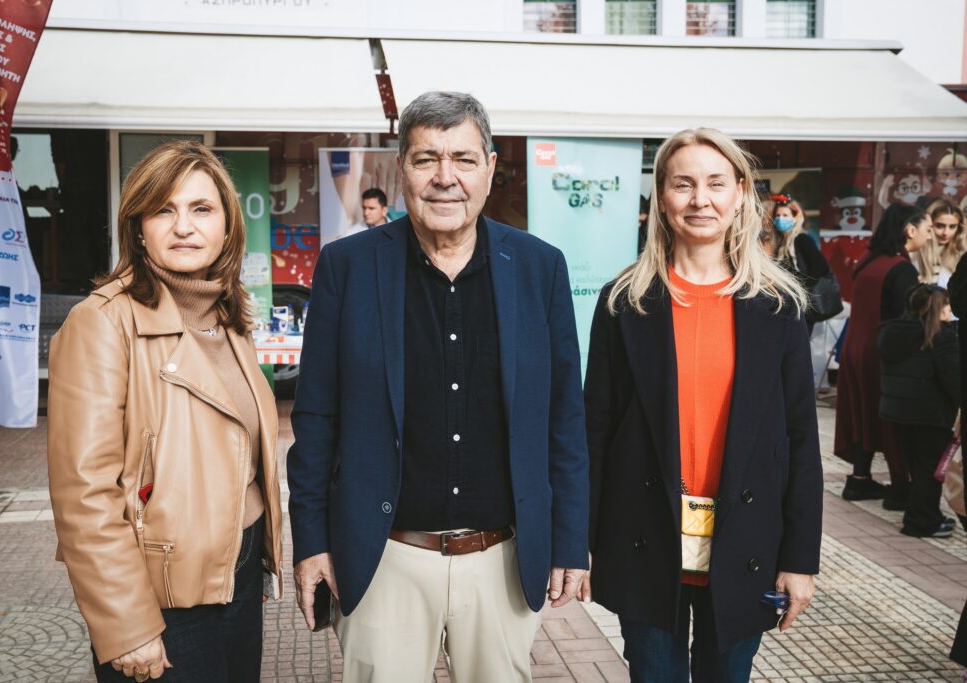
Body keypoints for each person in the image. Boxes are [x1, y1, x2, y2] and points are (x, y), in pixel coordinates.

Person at [287, 91, 589, 683]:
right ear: (401, 169)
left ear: (490, 168)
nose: (445, 177)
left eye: (463, 159)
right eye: (426, 159)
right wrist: (312, 541)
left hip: (502, 560)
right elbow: (316, 417)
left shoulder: (539, 267)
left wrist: (570, 540)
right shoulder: (347, 267)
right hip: (383, 559)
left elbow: (564, 419)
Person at [582, 127, 822, 682]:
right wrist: (581, 543)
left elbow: (801, 441)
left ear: (740, 193)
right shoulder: (624, 302)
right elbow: (594, 431)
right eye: (683, 184)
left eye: (716, 183)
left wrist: (800, 560)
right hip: (646, 538)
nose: (700, 200)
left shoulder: (779, 306)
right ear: (662, 198)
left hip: (746, 542)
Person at [47, 141, 284, 682]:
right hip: (161, 601)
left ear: (227, 226)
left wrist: (251, 561)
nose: (184, 227)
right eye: (163, 210)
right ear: (138, 229)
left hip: (237, 580)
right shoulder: (102, 322)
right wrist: (127, 624)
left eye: (201, 209)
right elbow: (84, 495)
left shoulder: (228, 318)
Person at [835, 204, 932, 509]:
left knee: (863, 414)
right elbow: (906, 320)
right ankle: (900, 488)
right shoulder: (900, 268)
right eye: (928, 229)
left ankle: (859, 479)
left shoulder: (869, 258)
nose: (930, 236)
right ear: (910, 230)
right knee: (891, 417)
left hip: (854, 348)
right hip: (879, 353)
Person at [877, 284, 959, 538]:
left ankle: (921, 514)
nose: (950, 310)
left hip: (899, 410)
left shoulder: (893, 332)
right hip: (931, 413)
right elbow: (953, 379)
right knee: (929, 470)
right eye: (947, 305)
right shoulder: (940, 336)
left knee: (916, 465)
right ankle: (922, 520)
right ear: (937, 308)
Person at [763, 193, 832, 332]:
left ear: (795, 218)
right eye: (778, 215)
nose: (780, 219)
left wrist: (801, 288)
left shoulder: (801, 239)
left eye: (785, 215)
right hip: (792, 305)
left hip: (803, 307)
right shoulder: (782, 242)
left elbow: (820, 266)